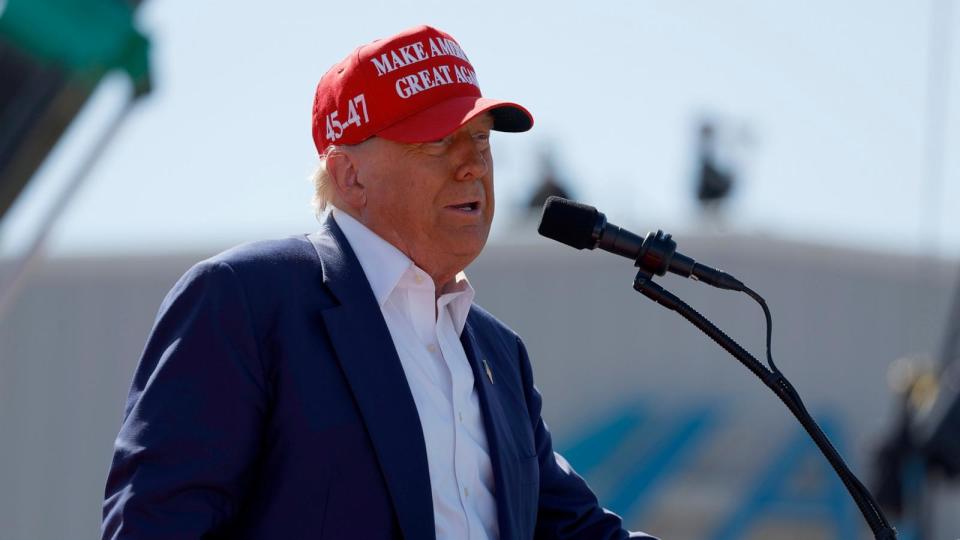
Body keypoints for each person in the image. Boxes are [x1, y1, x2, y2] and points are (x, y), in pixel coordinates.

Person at [102, 25, 657, 540]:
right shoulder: (244, 300)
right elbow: (157, 524)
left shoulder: (499, 354)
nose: (472, 166)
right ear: (350, 175)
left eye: (482, 140)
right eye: (438, 141)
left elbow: (579, 533)